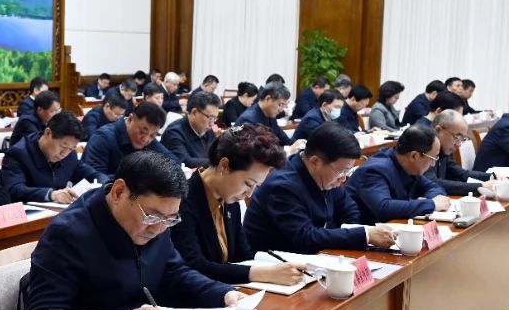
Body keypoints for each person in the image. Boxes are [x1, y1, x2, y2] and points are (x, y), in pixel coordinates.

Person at [15, 150, 249, 310]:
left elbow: (173, 271)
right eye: (152, 216)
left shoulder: (158, 223)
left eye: (170, 219)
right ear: (119, 192)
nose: (158, 229)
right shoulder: (67, 234)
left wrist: (222, 294)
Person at [171, 124, 308, 287]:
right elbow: (194, 266)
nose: (249, 194)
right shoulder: (182, 201)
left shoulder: (229, 196)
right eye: (248, 183)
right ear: (224, 166)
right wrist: (262, 274)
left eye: (256, 186)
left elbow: (243, 255)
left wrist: (272, 271)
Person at [243, 122, 396, 254]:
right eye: (341, 171)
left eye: (347, 171)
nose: (343, 178)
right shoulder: (282, 186)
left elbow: (349, 209)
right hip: (275, 264)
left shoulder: (327, 175)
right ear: (315, 161)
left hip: (312, 256)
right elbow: (306, 237)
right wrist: (364, 235)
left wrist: (354, 231)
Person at [346, 125, 450, 224]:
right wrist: (431, 204)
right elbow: (384, 208)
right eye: (432, 158)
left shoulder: (408, 166)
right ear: (414, 156)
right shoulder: (375, 170)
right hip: (360, 232)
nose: (433, 164)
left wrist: (428, 201)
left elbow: (435, 188)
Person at [0, 112, 96, 203]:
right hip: (22, 212)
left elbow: (91, 174)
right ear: (48, 133)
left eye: (71, 148)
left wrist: (102, 183)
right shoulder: (18, 153)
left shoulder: (70, 155)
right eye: (63, 146)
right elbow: (14, 190)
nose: (64, 153)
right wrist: (51, 195)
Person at [83, 102, 175, 185]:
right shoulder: (103, 138)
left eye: (152, 135)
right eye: (142, 131)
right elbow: (95, 179)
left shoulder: (148, 139)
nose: (146, 139)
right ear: (130, 119)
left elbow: (172, 162)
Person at [424, 110, 493, 196]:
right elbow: (433, 183)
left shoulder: (445, 148)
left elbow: (460, 174)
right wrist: (481, 186)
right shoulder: (423, 146)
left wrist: (492, 177)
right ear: (438, 130)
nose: (459, 144)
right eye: (456, 137)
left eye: (462, 139)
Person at [161, 91, 219, 167]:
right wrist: (218, 162)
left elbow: (216, 154)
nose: (212, 124)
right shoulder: (173, 132)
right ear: (194, 112)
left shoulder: (207, 129)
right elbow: (185, 162)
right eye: (210, 118)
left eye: (215, 119)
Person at [233, 81, 292, 147]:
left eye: (284, 106)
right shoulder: (248, 120)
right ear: (268, 99)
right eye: (280, 105)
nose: (281, 110)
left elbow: (285, 140)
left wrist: (296, 145)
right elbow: (257, 151)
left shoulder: (270, 115)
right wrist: (287, 149)